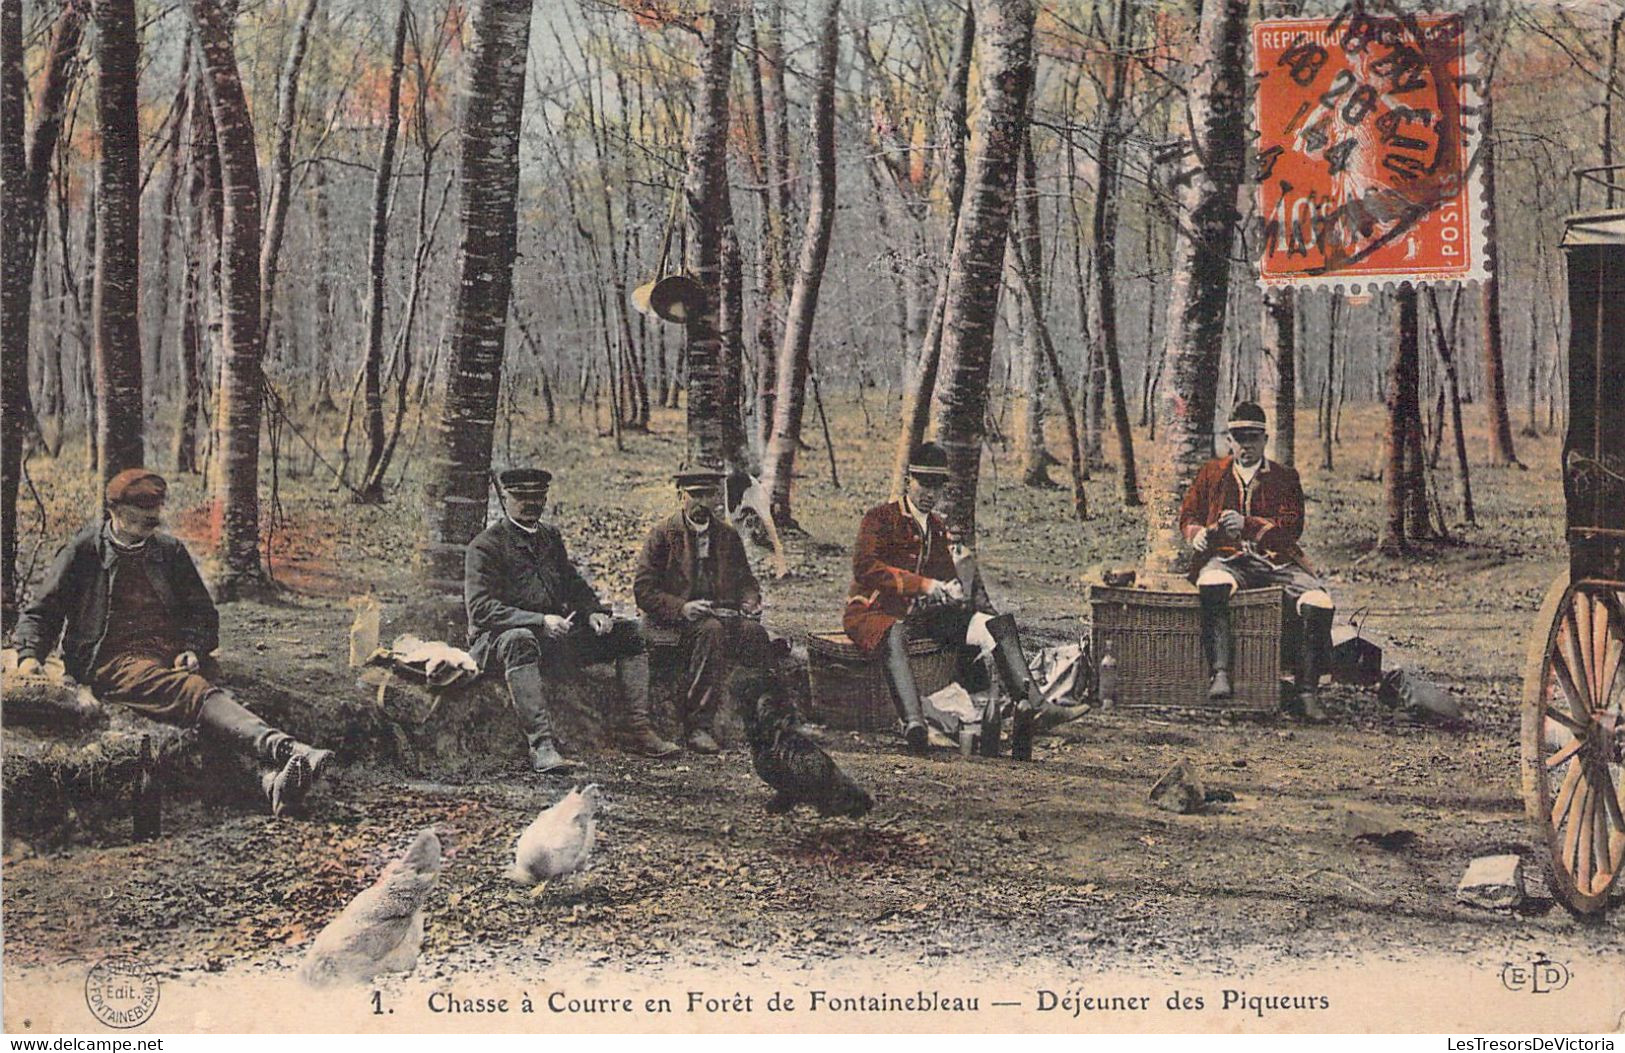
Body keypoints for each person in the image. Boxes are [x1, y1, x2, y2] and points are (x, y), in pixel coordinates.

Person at [12, 468, 334, 816]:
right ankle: (284, 749)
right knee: (193, 692)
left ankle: (268, 781)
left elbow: (203, 614)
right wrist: (30, 654)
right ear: (114, 513)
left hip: (166, 653)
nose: (141, 534)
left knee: (204, 708)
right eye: (134, 523)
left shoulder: (169, 551)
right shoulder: (84, 551)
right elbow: (41, 611)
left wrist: (192, 648)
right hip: (108, 657)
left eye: (150, 525)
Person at [465, 468, 680, 773]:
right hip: (500, 641)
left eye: (537, 497)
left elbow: (572, 582)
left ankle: (638, 730)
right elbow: (481, 609)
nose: (530, 504)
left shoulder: (549, 537)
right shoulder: (486, 546)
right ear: (505, 498)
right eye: (521, 497)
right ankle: (541, 746)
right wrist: (539, 620)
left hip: (554, 637)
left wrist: (594, 611)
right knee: (521, 639)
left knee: (628, 633)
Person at [843, 442, 1046, 759]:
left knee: (993, 624)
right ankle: (915, 725)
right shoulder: (879, 518)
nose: (929, 492)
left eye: (936, 485)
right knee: (893, 630)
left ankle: (1036, 704)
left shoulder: (936, 526)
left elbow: (945, 576)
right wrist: (923, 585)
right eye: (923, 482)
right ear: (909, 479)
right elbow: (865, 568)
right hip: (872, 611)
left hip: (918, 616)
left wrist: (953, 586)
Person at [1179, 401, 1335, 721]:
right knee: (1212, 582)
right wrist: (1196, 534)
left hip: (1277, 562)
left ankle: (1307, 692)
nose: (1244, 446)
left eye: (1252, 438)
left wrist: (1249, 525)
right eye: (1237, 438)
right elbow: (1189, 514)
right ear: (1229, 441)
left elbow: (1292, 529)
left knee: (1318, 601)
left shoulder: (1285, 477)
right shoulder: (1212, 473)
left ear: (1265, 439)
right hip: (1227, 558)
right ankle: (1220, 673)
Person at [634, 467, 777, 755]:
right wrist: (682, 607)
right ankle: (698, 725)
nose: (703, 503)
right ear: (680, 496)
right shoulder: (663, 534)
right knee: (710, 632)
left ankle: (766, 718)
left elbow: (746, 580)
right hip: (674, 622)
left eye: (709, 495)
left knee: (756, 634)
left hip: (721, 614)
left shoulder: (726, 535)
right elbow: (644, 590)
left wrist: (750, 600)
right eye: (695, 495)